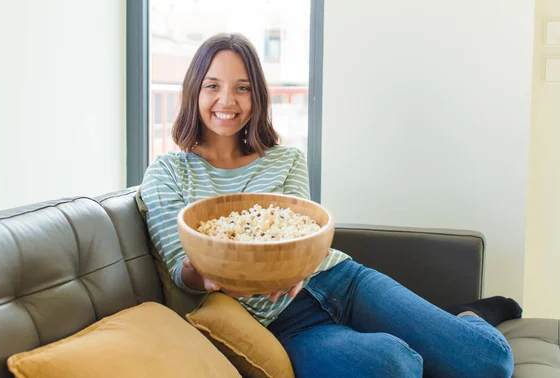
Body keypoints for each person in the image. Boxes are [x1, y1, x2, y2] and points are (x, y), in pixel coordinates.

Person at [138, 33, 522, 378]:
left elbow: (303, 235)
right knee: (395, 366)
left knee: (489, 362)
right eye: (212, 86)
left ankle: (468, 315)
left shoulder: (285, 159)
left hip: (342, 281)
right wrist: (213, 274)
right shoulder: (168, 173)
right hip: (284, 324)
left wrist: (292, 264)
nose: (227, 100)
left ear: (257, 97)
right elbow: (180, 269)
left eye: (243, 87)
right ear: (194, 92)